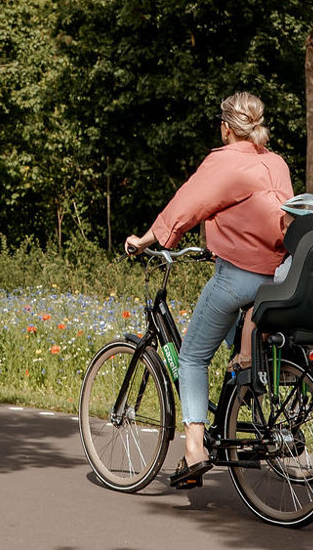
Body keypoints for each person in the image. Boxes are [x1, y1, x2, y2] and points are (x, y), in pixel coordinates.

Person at [123, 92, 293, 489]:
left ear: (226, 127)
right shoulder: (276, 162)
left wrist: (147, 239)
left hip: (241, 276)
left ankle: (195, 448)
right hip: (279, 279)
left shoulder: (224, 161)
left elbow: (187, 204)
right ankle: (238, 409)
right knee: (241, 345)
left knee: (193, 356)